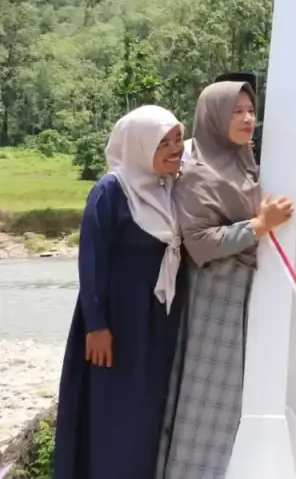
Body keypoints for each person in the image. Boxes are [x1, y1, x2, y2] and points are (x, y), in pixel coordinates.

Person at [159, 80, 294, 479]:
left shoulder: (246, 161)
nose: (248, 118)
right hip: (214, 299)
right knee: (208, 400)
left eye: (251, 110)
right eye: (236, 111)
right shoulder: (196, 171)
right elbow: (199, 243)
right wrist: (258, 226)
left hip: (250, 294)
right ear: (214, 116)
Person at [52, 106, 187, 479]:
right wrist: (96, 325)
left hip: (160, 320)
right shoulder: (110, 191)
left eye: (178, 139)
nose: (176, 148)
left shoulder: (170, 190)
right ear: (139, 146)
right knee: (116, 412)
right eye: (164, 142)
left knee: (151, 409)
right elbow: (90, 261)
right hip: (117, 325)